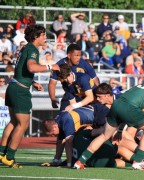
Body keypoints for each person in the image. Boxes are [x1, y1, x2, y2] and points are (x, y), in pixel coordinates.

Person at [74, 71, 144, 170]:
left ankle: (81, 161)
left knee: (104, 136)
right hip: (129, 108)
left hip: (117, 106)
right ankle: (138, 161)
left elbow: (123, 110)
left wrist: (120, 130)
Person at [0, 25, 59, 168]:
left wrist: (32, 81)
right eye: (43, 35)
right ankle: (9, 157)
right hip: (20, 91)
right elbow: (32, 67)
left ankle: (1, 153)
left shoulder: (26, 48)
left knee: (14, 122)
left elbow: (22, 69)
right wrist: (51, 67)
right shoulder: (32, 49)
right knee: (22, 125)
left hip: (14, 86)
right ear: (36, 37)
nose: (45, 37)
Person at [48, 43, 99, 111]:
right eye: (76, 55)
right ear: (69, 55)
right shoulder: (58, 66)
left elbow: (95, 80)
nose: (79, 58)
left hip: (85, 95)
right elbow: (52, 84)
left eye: (79, 55)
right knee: (63, 116)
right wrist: (53, 98)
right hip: (70, 94)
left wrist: (98, 97)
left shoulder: (84, 64)